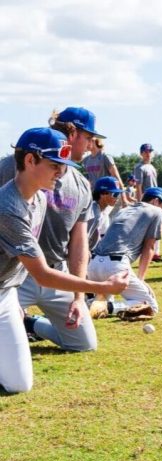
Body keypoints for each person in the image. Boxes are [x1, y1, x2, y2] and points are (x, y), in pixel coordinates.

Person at [0, 127, 129, 393]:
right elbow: (42, 274)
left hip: (7, 290)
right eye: (54, 165)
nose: (61, 172)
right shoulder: (7, 207)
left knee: (19, 384)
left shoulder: (39, 198)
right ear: (30, 160)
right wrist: (103, 287)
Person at [0, 108, 105, 351]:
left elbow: (79, 244)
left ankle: (31, 324)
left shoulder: (81, 184)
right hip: (15, 276)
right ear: (73, 134)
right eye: (88, 138)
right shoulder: (12, 166)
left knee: (84, 344)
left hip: (57, 273)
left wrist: (79, 297)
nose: (91, 146)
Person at [88, 187, 162, 317]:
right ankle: (107, 307)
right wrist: (141, 279)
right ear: (156, 201)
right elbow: (149, 247)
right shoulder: (156, 211)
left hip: (93, 264)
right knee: (150, 306)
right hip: (115, 266)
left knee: (101, 300)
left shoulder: (124, 210)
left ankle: (90, 304)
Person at [88, 176, 122, 251]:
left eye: (118, 194)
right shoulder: (92, 212)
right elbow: (81, 239)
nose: (117, 197)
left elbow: (103, 235)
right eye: (115, 194)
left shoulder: (104, 210)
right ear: (102, 194)